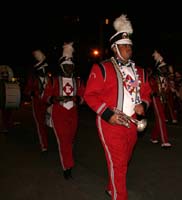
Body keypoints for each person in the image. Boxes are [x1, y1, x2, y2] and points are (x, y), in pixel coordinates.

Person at [84, 14, 152, 200]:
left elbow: (147, 93)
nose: (129, 48)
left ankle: (111, 187)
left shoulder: (140, 71)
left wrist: (142, 105)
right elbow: (89, 95)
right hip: (110, 123)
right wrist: (108, 115)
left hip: (132, 123)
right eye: (124, 45)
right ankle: (119, 196)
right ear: (115, 48)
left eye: (130, 45)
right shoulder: (102, 68)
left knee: (124, 160)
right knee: (119, 163)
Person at [42, 42, 85, 179]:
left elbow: (85, 97)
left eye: (71, 66)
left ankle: (68, 159)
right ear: (62, 66)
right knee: (63, 140)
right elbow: (45, 96)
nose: (69, 68)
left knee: (70, 139)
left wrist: (78, 99)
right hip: (58, 113)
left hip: (73, 113)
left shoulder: (78, 81)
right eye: (67, 66)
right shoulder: (54, 80)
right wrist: (54, 99)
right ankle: (67, 167)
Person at [23, 49, 52, 153]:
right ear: (39, 68)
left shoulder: (49, 79)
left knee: (50, 123)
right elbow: (27, 90)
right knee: (40, 124)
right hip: (37, 103)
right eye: (43, 68)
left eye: (45, 68)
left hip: (47, 103)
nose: (45, 70)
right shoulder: (33, 78)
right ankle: (44, 145)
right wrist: (34, 93)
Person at [148, 61, 172, 148]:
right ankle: (164, 141)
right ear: (159, 69)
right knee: (161, 119)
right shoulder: (153, 78)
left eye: (165, 68)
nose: (165, 69)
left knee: (159, 119)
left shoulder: (166, 78)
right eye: (163, 68)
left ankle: (154, 137)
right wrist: (158, 94)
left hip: (163, 100)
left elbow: (167, 89)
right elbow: (150, 91)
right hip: (156, 99)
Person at [0, 65, 20, 133]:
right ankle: (5, 126)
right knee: (4, 114)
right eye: (3, 73)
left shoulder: (10, 82)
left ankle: (8, 124)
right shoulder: (1, 82)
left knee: (9, 113)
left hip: (9, 100)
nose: (5, 75)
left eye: (6, 73)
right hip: (3, 101)